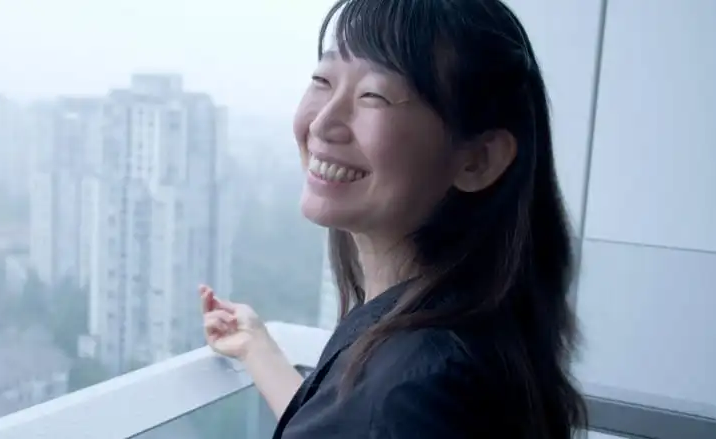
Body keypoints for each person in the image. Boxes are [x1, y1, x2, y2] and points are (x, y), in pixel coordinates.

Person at [202, 0, 588, 437]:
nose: (324, 123)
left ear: (478, 160)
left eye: (374, 95)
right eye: (322, 81)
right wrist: (258, 350)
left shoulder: (417, 392)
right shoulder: (454, 334)